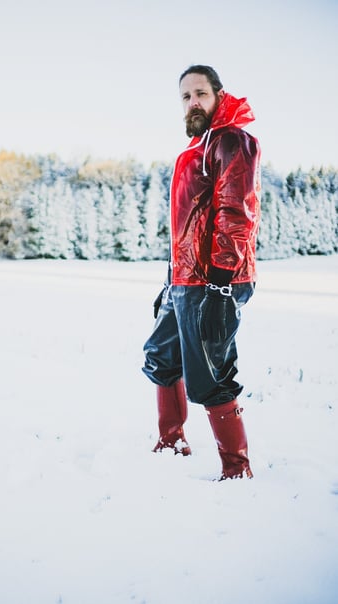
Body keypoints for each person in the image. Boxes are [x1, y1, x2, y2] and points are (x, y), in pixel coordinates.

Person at [142, 65, 261, 480]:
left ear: (218, 95)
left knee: (211, 373)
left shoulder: (233, 141)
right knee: (160, 356)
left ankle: (236, 469)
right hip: (185, 280)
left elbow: (235, 215)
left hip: (215, 279)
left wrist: (219, 286)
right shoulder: (196, 148)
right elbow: (187, 227)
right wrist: (170, 280)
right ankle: (171, 440)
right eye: (186, 97)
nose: (193, 102)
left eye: (200, 94)